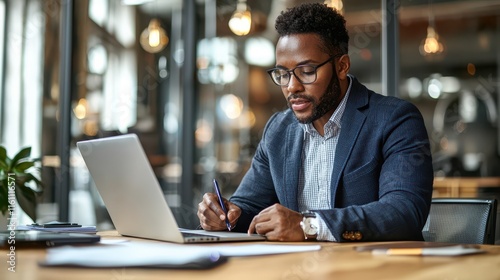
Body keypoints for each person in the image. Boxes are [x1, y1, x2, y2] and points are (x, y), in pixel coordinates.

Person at [197, 3, 433, 242]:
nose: (292, 86)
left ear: (342, 66)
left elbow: (404, 213)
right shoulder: (278, 129)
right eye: (283, 74)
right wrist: (224, 215)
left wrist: (308, 226)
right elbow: (249, 206)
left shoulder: (395, 119)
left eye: (307, 71)